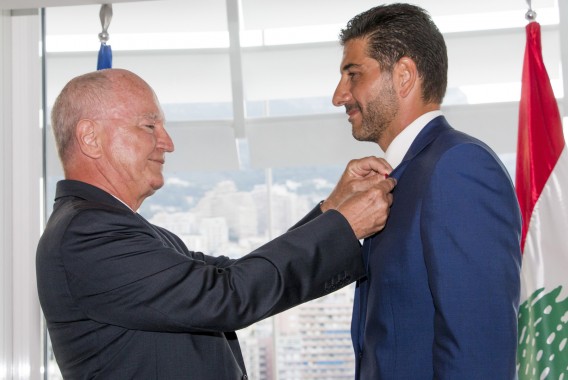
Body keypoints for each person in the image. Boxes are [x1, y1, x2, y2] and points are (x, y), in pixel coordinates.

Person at [36, 68, 396, 379]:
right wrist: (343, 225)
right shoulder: (88, 235)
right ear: (90, 138)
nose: (168, 143)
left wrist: (331, 209)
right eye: (149, 125)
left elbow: (233, 275)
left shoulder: (122, 230)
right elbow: (228, 296)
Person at [332, 4, 522, 379]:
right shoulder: (405, 175)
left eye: (353, 74)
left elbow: (479, 354)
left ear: (403, 75)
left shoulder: (459, 167)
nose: (340, 96)